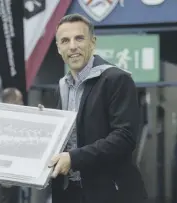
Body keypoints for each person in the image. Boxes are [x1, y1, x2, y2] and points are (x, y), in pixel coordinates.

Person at [48, 14, 147, 203]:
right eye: (65, 41)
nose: (72, 46)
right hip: (70, 193)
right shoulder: (62, 87)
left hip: (110, 193)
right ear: (58, 48)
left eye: (79, 38)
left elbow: (124, 137)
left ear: (92, 42)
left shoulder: (117, 79)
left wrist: (74, 158)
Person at [0, 87, 23, 203]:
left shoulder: (19, 122)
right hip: (0, 174)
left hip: (14, 175)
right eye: (20, 101)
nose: (22, 104)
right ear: (11, 102)